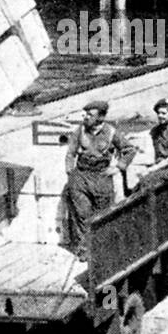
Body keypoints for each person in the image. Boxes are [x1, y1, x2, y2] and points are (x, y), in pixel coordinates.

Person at [63, 99, 137, 254]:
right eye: (85, 115)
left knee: (102, 215)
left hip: (101, 177)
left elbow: (129, 149)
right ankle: (84, 250)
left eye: (90, 115)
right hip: (81, 176)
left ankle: (101, 250)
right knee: (82, 214)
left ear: (100, 118)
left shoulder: (111, 132)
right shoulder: (80, 131)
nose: (85, 118)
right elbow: (70, 153)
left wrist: (118, 167)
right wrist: (71, 173)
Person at [133, 97, 168, 192]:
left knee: (146, 181)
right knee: (137, 184)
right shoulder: (162, 127)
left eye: (163, 113)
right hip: (162, 166)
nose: (160, 116)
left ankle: (150, 206)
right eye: (158, 113)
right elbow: (149, 132)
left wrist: (150, 170)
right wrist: (132, 136)